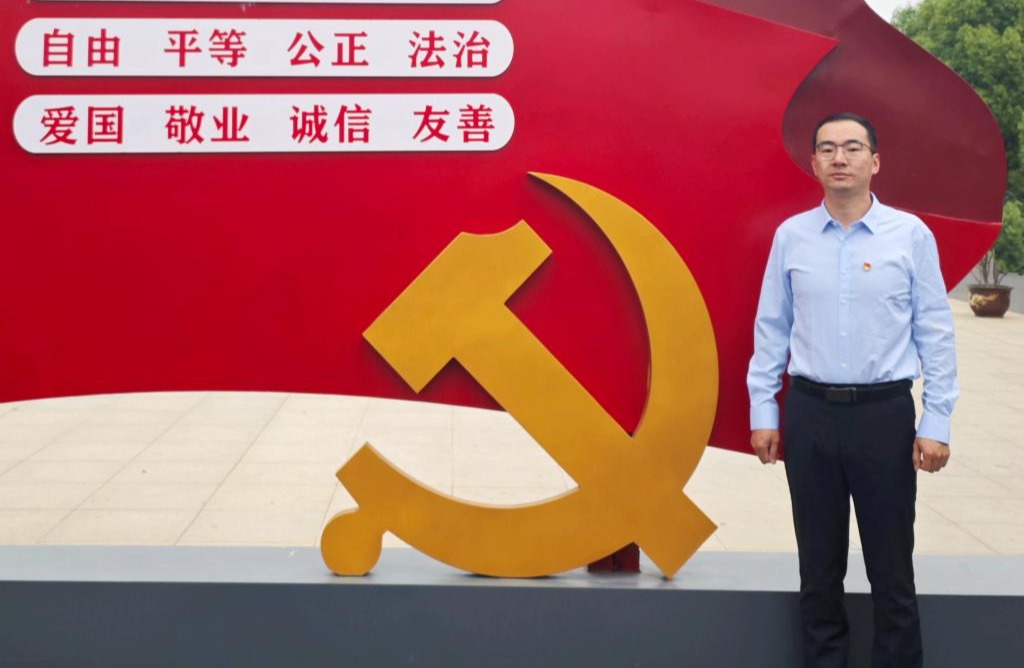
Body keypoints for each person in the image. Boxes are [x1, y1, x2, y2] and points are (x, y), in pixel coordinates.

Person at [747, 112, 958, 668]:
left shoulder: (910, 236)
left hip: (884, 416)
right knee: (818, 569)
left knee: (892, 570)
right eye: (827, 148)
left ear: (875, 161)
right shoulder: (791, 237)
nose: (840, 158)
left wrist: (936, 421)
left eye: (852, 147)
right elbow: (771, 327)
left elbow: (935, 331)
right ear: (814, 163)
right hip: (810, 413)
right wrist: (763, 409)